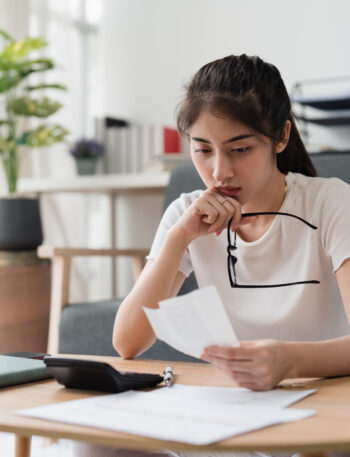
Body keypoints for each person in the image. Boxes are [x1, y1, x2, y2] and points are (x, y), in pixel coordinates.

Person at [74, 54, 350, 456]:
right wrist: (178, 239)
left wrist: (288, 361)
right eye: (203, 150)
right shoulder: (187, 214)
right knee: (93, 447)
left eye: (239, 149)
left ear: (281, 135)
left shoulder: (331, 203)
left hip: (321, 411)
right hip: (233, 414)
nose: (220, 171)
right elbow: (127, 343)